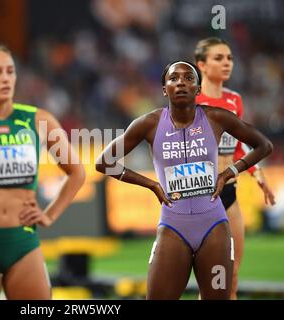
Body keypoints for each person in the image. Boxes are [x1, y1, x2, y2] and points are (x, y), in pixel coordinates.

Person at [96, 61, 273, 299]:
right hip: (172, 226)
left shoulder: (217, 118)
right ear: (164, 89)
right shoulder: (150, 123)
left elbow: (264, 145)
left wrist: (229, 172)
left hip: (214, 227)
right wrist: (151, 184)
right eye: (174, 78)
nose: (181, 82)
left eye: (189, 78)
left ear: (198, 89)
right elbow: (104, 162)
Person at [0, 43, 85, 299]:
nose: (6, 79)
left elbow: (77, 173)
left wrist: (50, 215)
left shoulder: (38, 119)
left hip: (24, 245)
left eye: (10, 71)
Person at [194, 37, 276, 299]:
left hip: (229, 193)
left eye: (229, 57)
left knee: (232, 273)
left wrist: (257, 173)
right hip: (199, 197)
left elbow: (239, 147)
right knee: (207, 277)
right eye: (218, 58)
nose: (227, 63)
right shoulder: (190, 102)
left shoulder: (234, 100)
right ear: (202, 65)